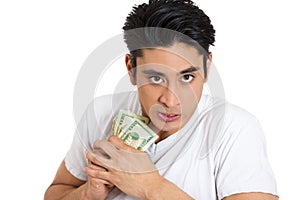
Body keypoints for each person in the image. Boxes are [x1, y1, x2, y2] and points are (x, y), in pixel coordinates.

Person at [44, 0, 278, 199]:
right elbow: (57, 191)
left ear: (207, 68)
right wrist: (89, 192)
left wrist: (151, 186)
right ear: (131, 69)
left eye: (187, 77)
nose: (171, 100)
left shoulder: (233, 127)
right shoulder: (102, 111)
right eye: (155, 77)